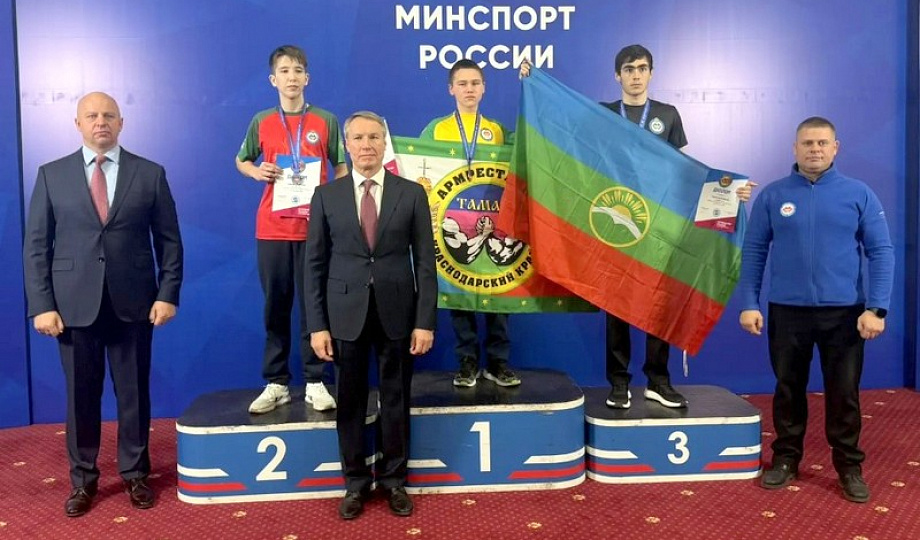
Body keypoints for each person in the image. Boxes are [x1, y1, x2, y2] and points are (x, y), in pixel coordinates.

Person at [522, 44, 753, 409]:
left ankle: (658, 381)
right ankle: (619, 383)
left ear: (651, 73)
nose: (635, 75)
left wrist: (728, 190)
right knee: (616, 303)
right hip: (614, 218)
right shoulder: (603, 113)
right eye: (628, 69)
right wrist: (534, 82)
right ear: (618, 75)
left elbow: (684, 171)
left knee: (659, 303)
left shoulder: (667, 114)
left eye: (642, 68)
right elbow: (571, 139)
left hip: (657, 225)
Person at [23, 92, 183, 517]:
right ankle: (83, 480)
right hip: (72, 307)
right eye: (91, 115)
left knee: (134, 394)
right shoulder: (51, 174)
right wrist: (42, 304)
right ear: (77, 123)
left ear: (121, 123)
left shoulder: (149, 173)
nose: (100, 122)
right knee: (81, 398)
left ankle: (136, 474)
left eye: (109, 115)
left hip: (135, 303)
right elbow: (36, 246)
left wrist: (167, 293)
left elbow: (169, 242)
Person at [738, 116, 894, 503]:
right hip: (787, 311)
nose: (815, 149)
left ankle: (849, 466)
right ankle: (786, 459)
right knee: (787, 389)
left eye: (822, 143)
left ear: (835, 148)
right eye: (807, 143)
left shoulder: (858, 194)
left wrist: (877, 308)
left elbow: (881, 251)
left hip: (845, 315)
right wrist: (749, 303)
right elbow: (754, 252)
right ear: (795, 148)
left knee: (844, 393)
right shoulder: (773, 195)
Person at [306, 111, 437, 520]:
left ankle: (395, 480)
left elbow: (426, 264)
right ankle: (355, 482)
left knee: (396, 400)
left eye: (375, 137)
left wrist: (425, 321)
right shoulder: (325, 196)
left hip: (398, 315)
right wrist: (317, 326)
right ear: (347, 145)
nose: (367, 145)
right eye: (359, 138)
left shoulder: (411, 193)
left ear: (385, 143)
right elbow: (313, 266)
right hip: (344, 316)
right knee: (349, 403)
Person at [236, 45, 348, 414]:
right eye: (284, 71)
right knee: (276, 307)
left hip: (315, 230)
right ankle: (277, 382)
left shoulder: (326, 120)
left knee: (315, 306)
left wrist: (334, 201)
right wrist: (257, 171)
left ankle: (315, 380)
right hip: (272, 229)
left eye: (298, 70)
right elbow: (241, 160)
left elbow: (341, 166)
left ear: (307, 78)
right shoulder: (262, 121)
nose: (292, 77)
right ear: (274, 80)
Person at [419, 59, 520, 388]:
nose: (469, 89)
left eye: (475, 83)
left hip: (493, 219)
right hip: (453, 220)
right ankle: (467, 362)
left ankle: (498, 363)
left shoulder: (498, 130)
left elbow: (520, 160)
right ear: (451, 89)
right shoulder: (436, 129)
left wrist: (531, 90)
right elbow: (419, 167)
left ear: (484, 88)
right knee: (458, 293)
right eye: (462, 84)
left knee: (498, 290)